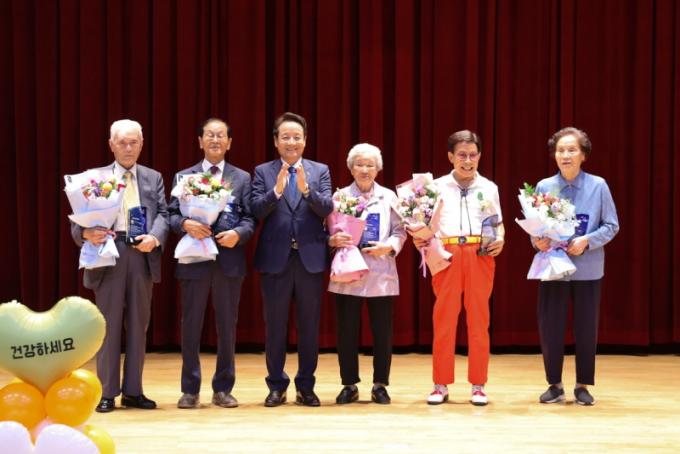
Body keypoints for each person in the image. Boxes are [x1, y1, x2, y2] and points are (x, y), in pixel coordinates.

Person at [71, 119, 169, 412]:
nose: (128, 148)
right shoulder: (95, 177)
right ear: (111, 145)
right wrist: (85, 233)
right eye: (122, 142)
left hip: (141, 253)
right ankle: (107, 392)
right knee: (109, 326)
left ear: (142, 144)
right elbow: (78, 217)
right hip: (108, 254)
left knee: (139, 326)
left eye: (133, 142)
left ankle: (133, 392)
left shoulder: (153, 177)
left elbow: (164, 214)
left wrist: (155, 237)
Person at [169, 118, 256, 409]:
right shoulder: (185, 176)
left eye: (221, 136)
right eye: (210, 135)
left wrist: (239, 234)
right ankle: (189, 390)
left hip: (228, 261)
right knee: (190, 325)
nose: (215, 140)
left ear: (229, 143)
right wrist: (185, 224)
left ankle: (223, 388)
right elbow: (171, 214)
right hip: (194, 260)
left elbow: (250, 218)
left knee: (227, 327)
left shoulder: (242, 178)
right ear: (200, 141)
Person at [413, 130, 505, 406]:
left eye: (473, 155)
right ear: (450, 157)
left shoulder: (489, 187)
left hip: (479, 253)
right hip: (447, 253)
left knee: (479, 321)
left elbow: (497, 222)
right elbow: (420, 221)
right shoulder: (436, 186)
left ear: (479, 156)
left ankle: (478, 385)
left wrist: (501, 238)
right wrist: (418, 235)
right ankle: (440, 384)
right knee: (444, 319)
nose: (468, 161)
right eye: (462, 155)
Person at [251, 112, 333, 407]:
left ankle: (306, 386)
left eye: (297, 137)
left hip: (310, 258)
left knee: (309, 327)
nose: (291, 142)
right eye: (285, 137)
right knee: (275, 326)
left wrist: (307, 190)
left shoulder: (319, 170)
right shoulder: (263, 172)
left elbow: (327, 208)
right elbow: (256, 210)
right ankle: (276, 385)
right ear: (276, 141)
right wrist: (275, 191)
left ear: (305, 140)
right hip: (276, 259)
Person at [532, 127, 619, 406]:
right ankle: (554, 385)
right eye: (560, 150)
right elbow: (536, 229)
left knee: (586, 328)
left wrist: (587, 240)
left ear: (584, 155)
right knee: (550, 327)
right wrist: (538, 241)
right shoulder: (544, 187)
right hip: (553, 267)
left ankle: (583, 385)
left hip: (588, 268)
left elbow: (611, 225)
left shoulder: (598, 186)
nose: (565, 155)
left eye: (572, 150)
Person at [328, 143, 406, 405]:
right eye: (359, 164)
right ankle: (349, 384)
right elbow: (328, 231)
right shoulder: (339, 197)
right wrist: (333, 240)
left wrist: (389, 247)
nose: (364, 169)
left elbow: (400, 231)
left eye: (370, 165)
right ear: (351, 168)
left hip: (380, 270)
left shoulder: (389, 197)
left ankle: (380, 384)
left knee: (382, 332)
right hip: (348, 270)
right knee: (346, 331)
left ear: (378, 169)